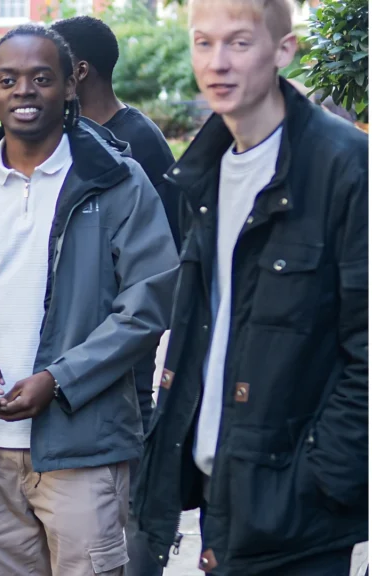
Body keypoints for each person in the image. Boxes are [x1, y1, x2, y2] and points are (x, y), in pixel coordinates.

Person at [0, 24, 179, 576]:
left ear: (70, 87)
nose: (23, 91)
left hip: (85, 451)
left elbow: (149, 302)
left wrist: (59, 379)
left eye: (40, 78)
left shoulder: (117, 182)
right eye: (8, 80)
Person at [131, 0, 368, 572]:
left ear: (283, 50)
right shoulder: (203, 171)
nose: (218, 63)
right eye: (203, 43)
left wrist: (316, 478)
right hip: (219, 489)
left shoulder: (346, 168)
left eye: (239, 42)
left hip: (298, 508)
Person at [49, 15, 179, 576]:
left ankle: (139, 557)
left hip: (120, 347)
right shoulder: (63, 136)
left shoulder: (139, 143)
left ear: (78, 72)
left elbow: (162, 262)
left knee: (129, 460)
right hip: (69, 340)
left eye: (49, 70)